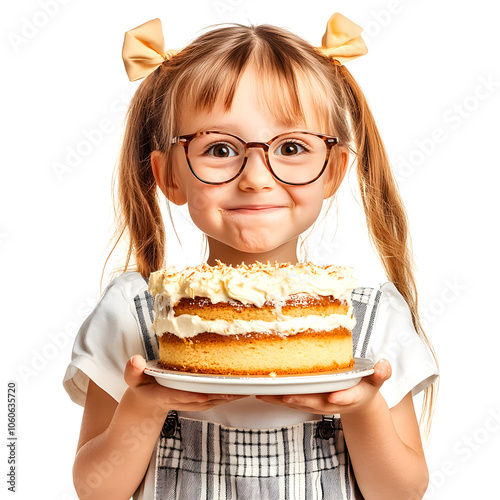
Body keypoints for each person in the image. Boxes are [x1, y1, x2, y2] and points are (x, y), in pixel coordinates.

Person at [64, 13, 439, 500]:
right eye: (219, 149)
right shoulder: (131, 314)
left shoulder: (369, 318)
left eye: (290, 146)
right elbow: (97, 490)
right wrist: (144, 407)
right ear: (169, 176)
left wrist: (363, 408)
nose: (256, 176)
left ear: (333, 171)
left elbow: (402, 493)